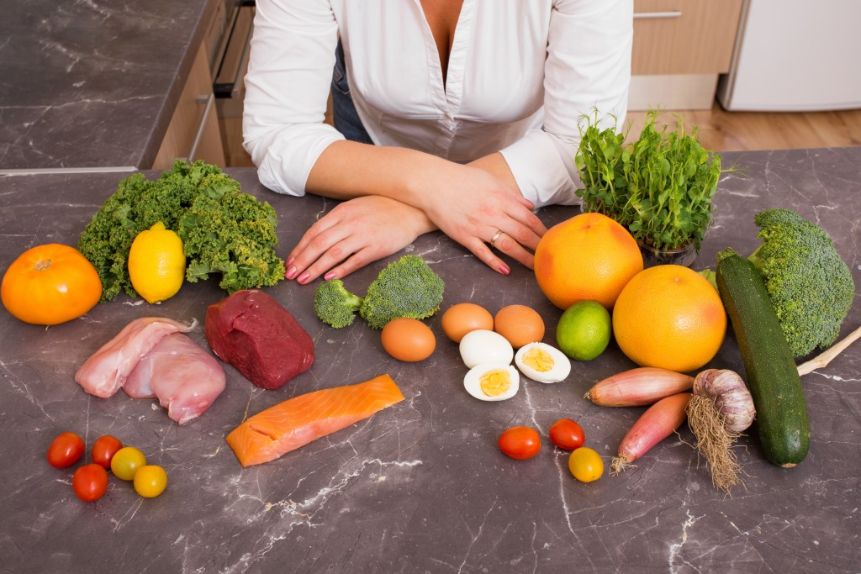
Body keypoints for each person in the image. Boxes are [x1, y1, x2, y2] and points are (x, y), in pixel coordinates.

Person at [243, 0, 633, 285]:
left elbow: (583, 149)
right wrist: (430, 186)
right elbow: (277, 130)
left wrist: (410, 213)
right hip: (370, 159)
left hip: (525, 166)